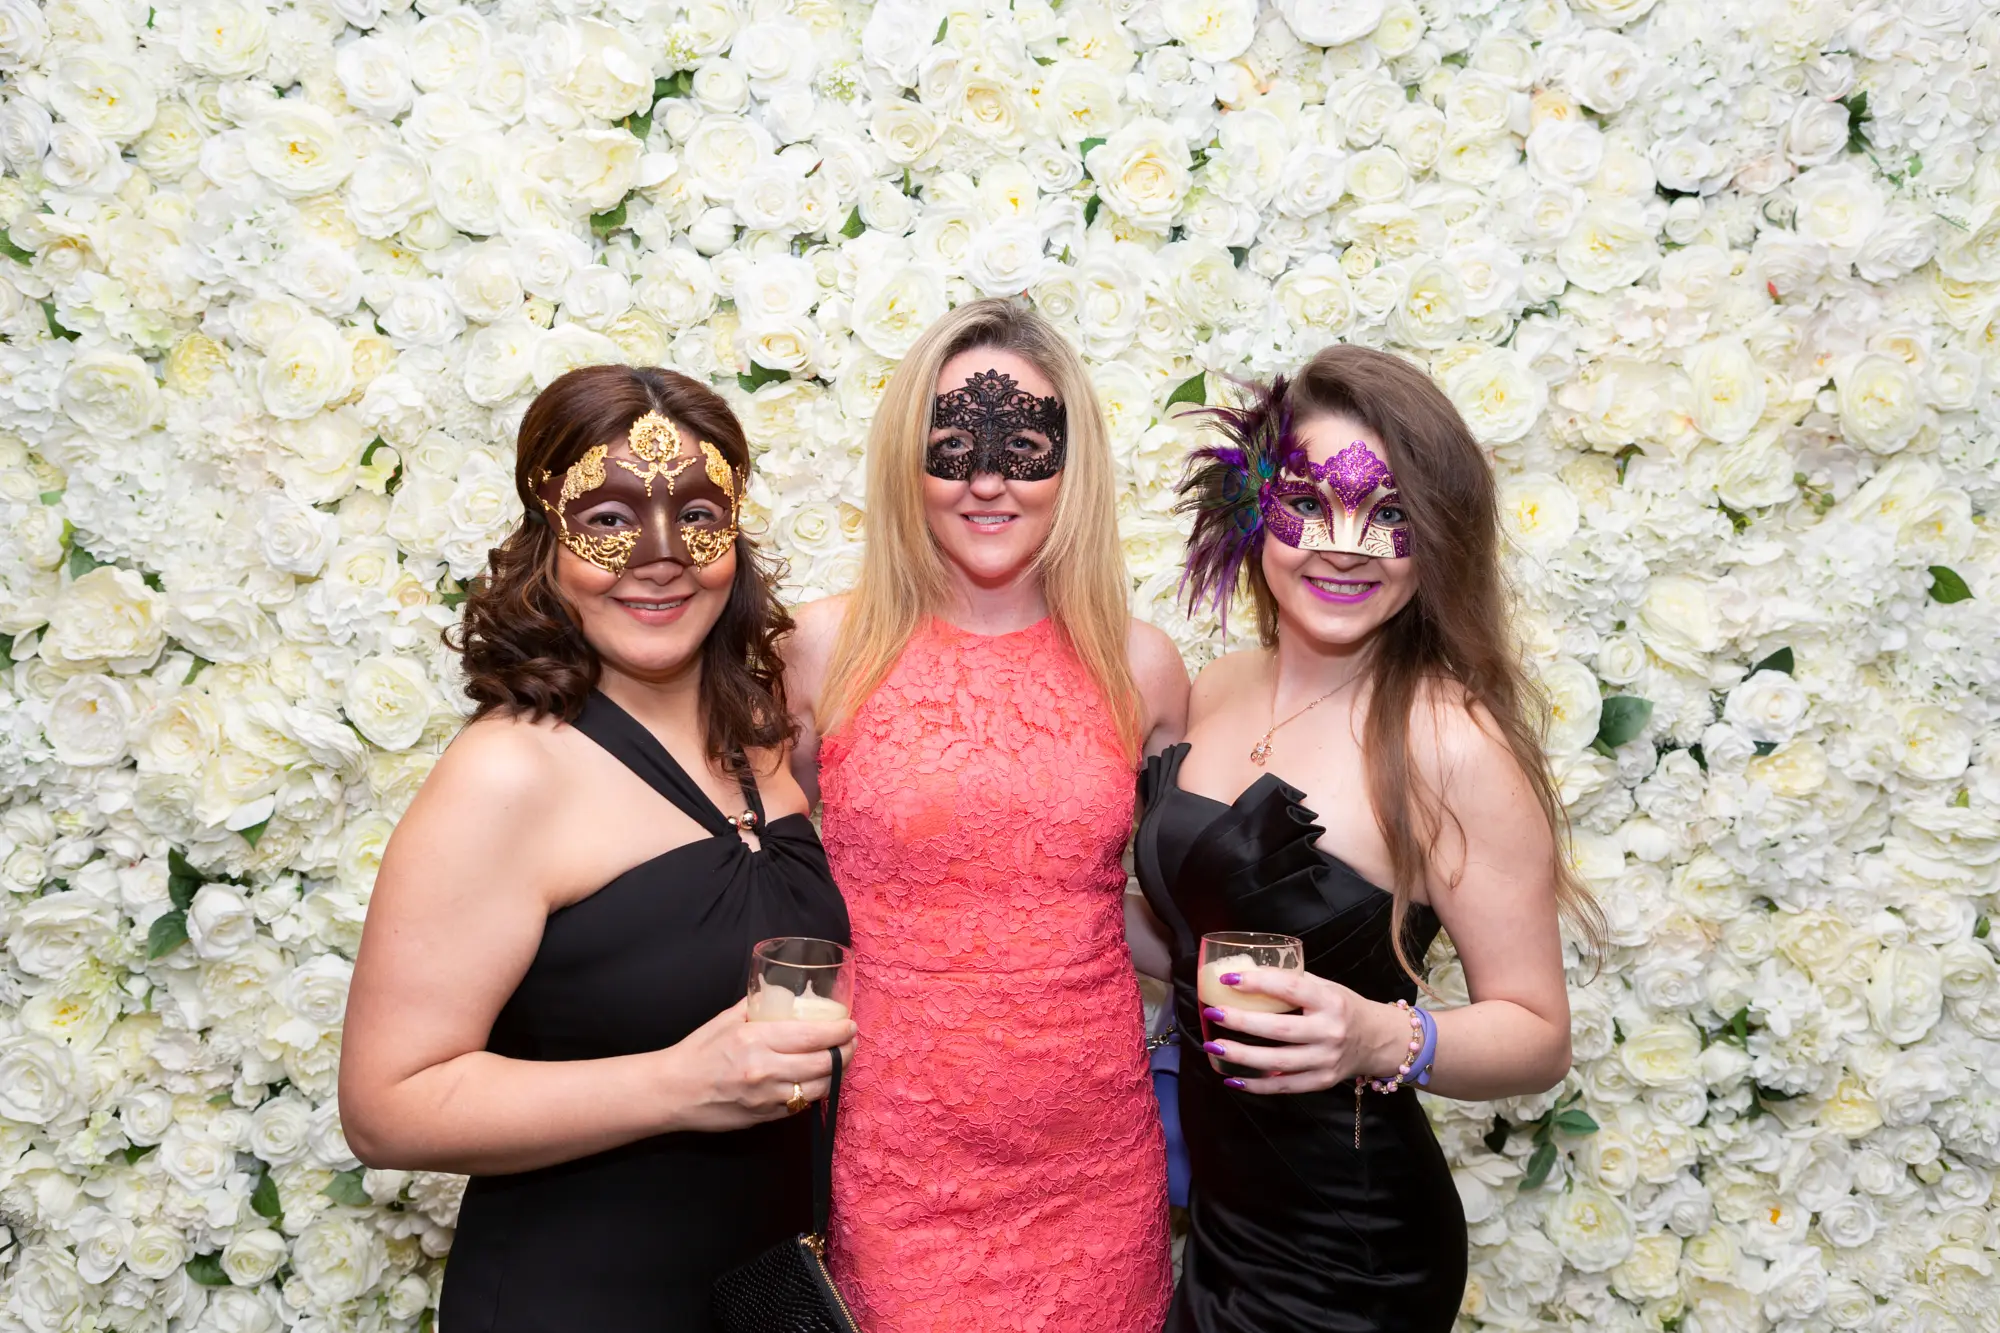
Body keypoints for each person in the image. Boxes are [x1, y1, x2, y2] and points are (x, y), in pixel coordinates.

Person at [338, 366, 855, 1332]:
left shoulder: (762, 745)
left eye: (696, 514)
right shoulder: (508, 774)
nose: (658, 558)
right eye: (610, 521)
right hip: (576, 1296)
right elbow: (385, 1105)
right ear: (548, 541)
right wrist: (677, 1084)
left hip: (759, 1292)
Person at [1131, 346, 1604, 1333]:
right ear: (1252, 505)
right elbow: (1183, 935)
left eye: (1388, 516)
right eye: (1309, 501)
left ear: (1432, 543)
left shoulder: (1447, 742)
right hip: (1216, 1225)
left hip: (1350, 1257)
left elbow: (1536, 1030)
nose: (1344, 545)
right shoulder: (1214, 690)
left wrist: (1380, 1033)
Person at [784, 298, 1189, 1331]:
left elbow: (1137, 908)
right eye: (953, 443)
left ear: (1074, 466)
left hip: (1093, 1162)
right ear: (904, 461)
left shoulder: (1139, 665)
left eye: (1025, 446)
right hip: (892, 1160)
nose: (988, 479)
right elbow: (755, 881)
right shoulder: (823, 648)